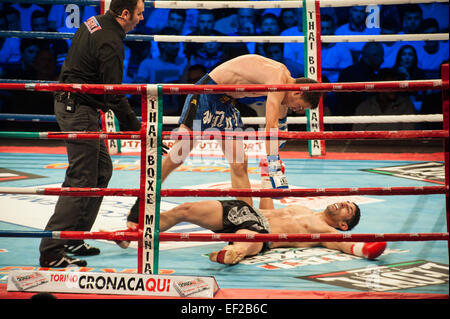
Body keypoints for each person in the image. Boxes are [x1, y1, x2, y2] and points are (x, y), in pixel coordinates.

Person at [122, 54, 322, 229]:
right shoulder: (278, 80)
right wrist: (273, 167)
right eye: (299, 107)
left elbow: (280, 117)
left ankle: (247, 221)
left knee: (239, 163)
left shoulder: (285, 82)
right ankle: (139, 206)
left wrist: (280, 138)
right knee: (176, 156)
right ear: (297, 92)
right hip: (206, 95)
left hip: (226, 103)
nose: (296, 110)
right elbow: (270, 125)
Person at [39, 0, 145, 268]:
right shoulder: (111, 41)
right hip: (78, 109)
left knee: (101, 170)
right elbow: (113, 93)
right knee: (81, 178)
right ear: (125, 14)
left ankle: (74, 237)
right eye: (139, 13)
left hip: (77, 105)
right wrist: (137, 129)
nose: (142, 19)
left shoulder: (96, 21)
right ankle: (51, 251)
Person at [116, 196, 386, 265]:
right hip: (248, 213)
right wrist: (267, 176)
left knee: (246, 242)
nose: (343, 204)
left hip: (261, 234)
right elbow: (266, 207)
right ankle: (136, 232)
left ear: (343, 224)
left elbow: (342, 244)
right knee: (184, 210)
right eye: (346, 202)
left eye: (348, 210)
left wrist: (364, 248)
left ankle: (230, 254)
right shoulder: (305, 208)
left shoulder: (323, 233)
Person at [352, 68, 417, 131]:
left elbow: (409, 134)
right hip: (370, 142)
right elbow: (357, 134)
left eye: (396, 86)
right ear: (379, 87)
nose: (394, 90)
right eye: (390, 86)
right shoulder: (365, 107)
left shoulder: (406, 105)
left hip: (397, 142)